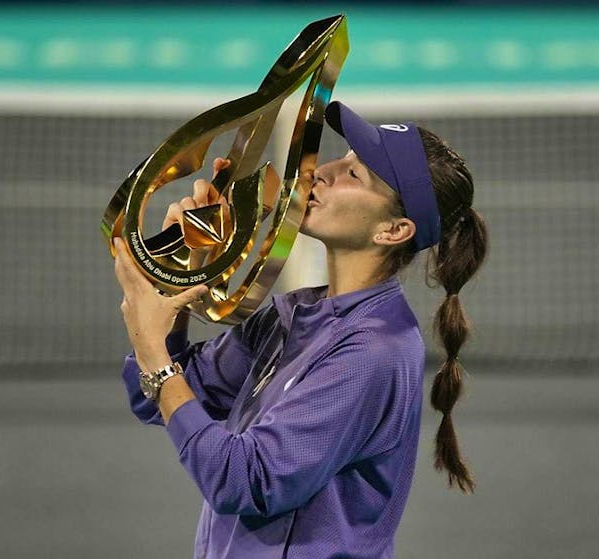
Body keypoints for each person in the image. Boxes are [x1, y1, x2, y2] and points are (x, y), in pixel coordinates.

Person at [113, 101, 489, 558]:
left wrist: (153, 351)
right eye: (344, 159)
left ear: (394, 230)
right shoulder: (294, 315)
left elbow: (244, 482)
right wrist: (187, 267)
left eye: (355, 176)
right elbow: (157, 397)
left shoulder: (373, 351)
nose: (324, 171)